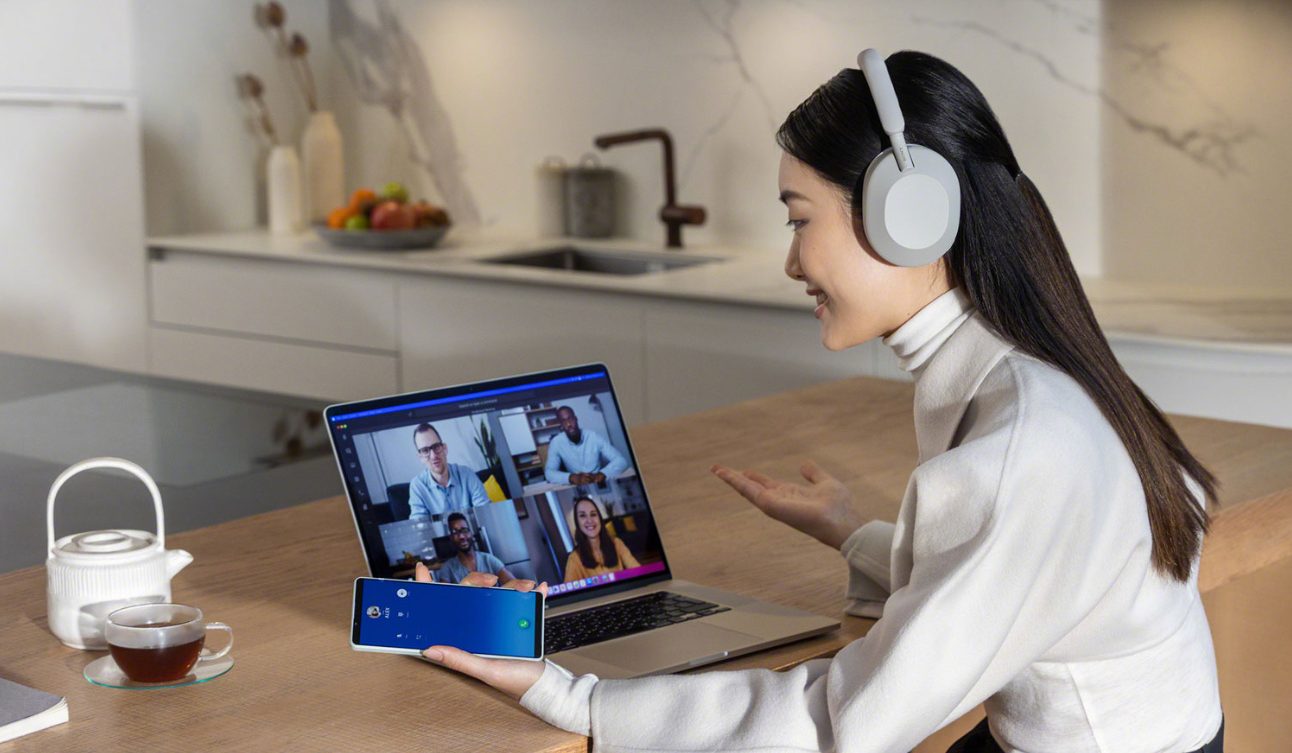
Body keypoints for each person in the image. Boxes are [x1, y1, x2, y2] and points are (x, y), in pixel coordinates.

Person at [415, 50, 1225, 753]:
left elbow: (843, 726)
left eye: (800, 221)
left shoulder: (1026, 449)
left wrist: (568, 693)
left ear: (908, 217)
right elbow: (1013, 577)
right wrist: (855, 536)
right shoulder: (1030, 370)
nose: (792, 262)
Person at [407, 423, 490, 519]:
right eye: (425, 451)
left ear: (444, 448)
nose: (433, 456)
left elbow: (486, 513)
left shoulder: (467, 474)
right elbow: (420, 527)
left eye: (436, 447)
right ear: (420, 457)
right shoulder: (417, 487)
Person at [543, 406, 629, 488]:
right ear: (561, 425)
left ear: (576, 419)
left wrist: (601, 474)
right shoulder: (556, 442)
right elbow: (549, 473)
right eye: (564, 421)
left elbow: (621, 461)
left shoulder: (593, 436)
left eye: (571, 419)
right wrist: (572, 478)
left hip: (597, 482)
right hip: (577, 485)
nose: (569, 424)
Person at [562, 496, 640, 583]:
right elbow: (571, 592)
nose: (589, 520)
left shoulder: (616, 543)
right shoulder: (574, 558)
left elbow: (638, 571)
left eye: (593, 514)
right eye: (582, 515)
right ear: (577, 523)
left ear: (599, 518)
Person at [432, 512, 516, 585]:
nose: (461, 536)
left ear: (470, 533)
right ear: (451, 537)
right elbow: (445, 596)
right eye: (455, 532)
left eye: (464, 530)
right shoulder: (448, 568)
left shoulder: (488, 560)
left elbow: (511, 582)